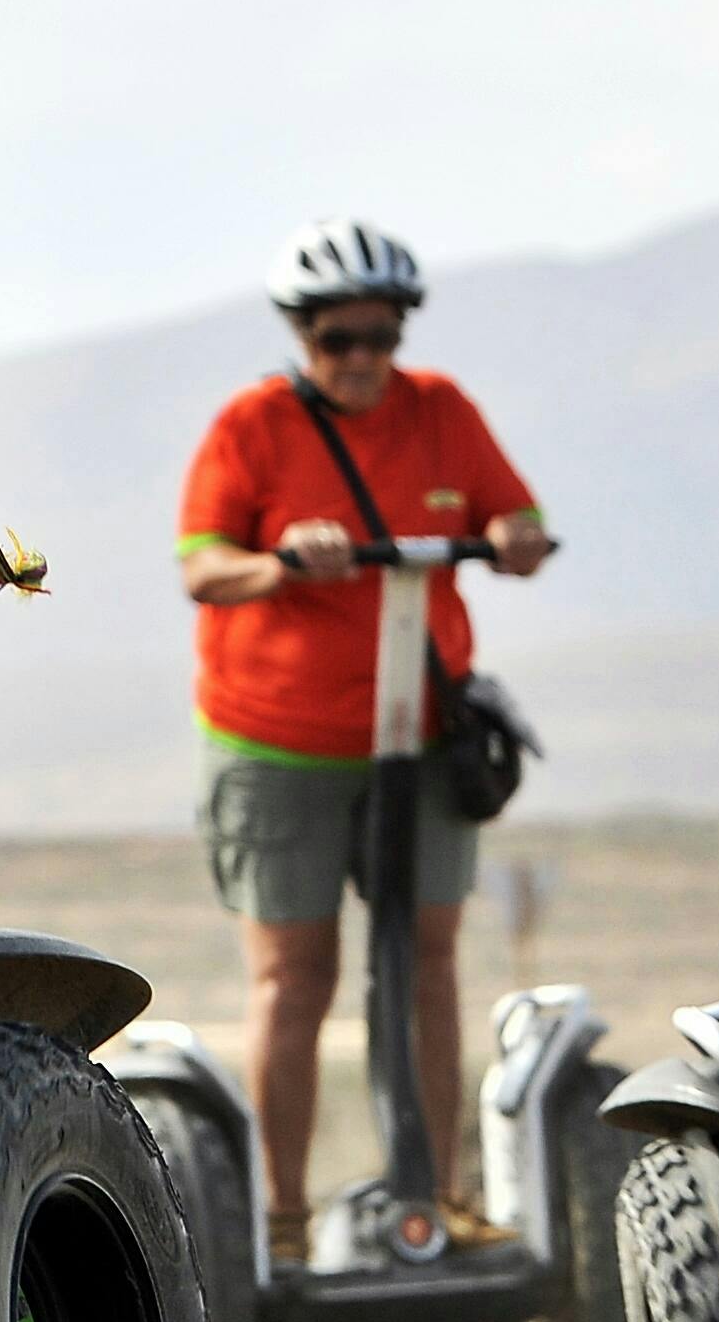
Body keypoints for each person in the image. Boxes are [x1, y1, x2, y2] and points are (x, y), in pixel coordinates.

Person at [175, 223, 557, 1262]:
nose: (359, 357)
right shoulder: (252, 426)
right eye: (337, 336)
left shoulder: (439, 411)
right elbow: (202, 565)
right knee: (294, 976)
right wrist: (281, 564)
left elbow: (513, 515)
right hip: (278, 739)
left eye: (378, 336)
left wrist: (518, 537)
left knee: (425, 959)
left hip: (419, 735)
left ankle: (433, 1195)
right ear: (302, 333)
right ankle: (283, 1221)